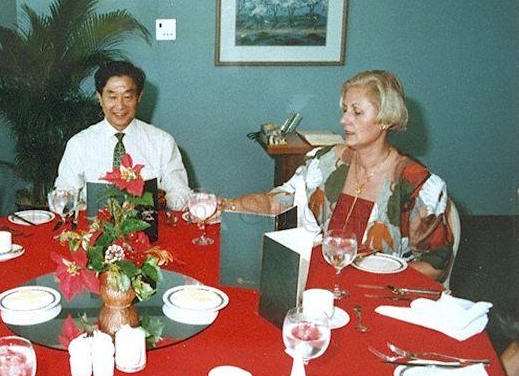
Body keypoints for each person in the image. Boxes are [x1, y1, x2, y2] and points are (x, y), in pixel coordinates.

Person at [222, 70, 453, 282]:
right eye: (344, 110)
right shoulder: (325, 161)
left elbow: (436, 264)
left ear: (386, 118)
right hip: (322, 283)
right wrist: (226, 205)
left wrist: (375, 281)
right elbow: (276, 202)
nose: (344, 120)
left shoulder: (416, 183)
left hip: (381, 295)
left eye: (357, 112)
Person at [54, 60, 191, 210]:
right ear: (99, 98)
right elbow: (61, 197)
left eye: (127, 97)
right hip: (92, 229)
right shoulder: (79, 143)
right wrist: (69, 202)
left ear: (139, 97)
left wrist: (158, 202)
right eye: (112, 97)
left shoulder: (162, 142)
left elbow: (182, 193)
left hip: (147, 227)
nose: (120, 106)